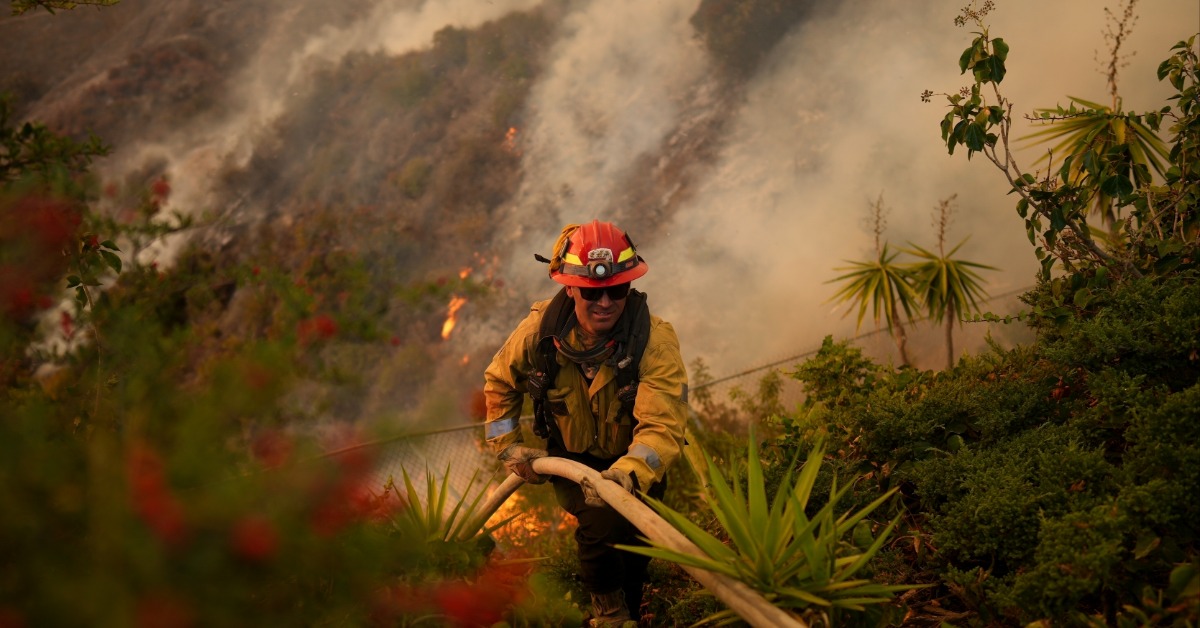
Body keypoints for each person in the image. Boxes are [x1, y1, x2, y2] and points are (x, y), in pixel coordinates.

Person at [483, 220, 688, 627]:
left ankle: (630, 607)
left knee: (635, 548)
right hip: (572, 461)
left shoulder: (653, 341)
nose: (605, 302)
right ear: (571, 288)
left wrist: (629, 473)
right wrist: (508, 448)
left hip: (636, 466)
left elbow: (662, 427)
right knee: (600, 526)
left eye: (617, 289)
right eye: (593, 292)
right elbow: (499, 382)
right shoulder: (539, 334)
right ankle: (609, 616)